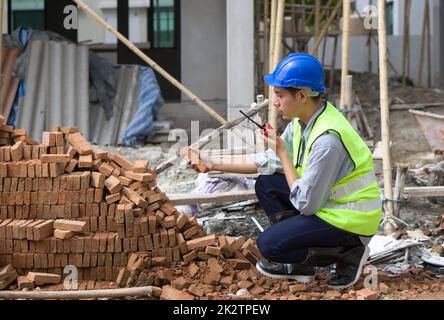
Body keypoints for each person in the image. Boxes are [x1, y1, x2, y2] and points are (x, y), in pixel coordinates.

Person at [189, 53, 382, 290]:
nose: (275, 102)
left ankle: (350, 252)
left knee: (270, 246)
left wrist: (283, 154)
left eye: (280, 95)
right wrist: (213, 165)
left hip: (350, 219)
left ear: (302, 95)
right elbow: (266, 162)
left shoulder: (328, 140)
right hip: (328, 204)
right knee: (266, 182)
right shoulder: (302, 123)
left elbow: (306, 204)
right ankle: (300, 263)